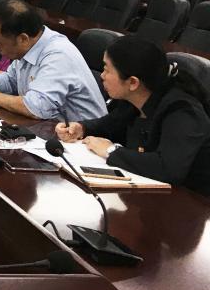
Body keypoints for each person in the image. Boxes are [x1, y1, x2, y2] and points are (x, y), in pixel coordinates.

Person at [56, 36, 210, 195]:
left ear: (133, 82)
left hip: (191, 201)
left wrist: (111, 151)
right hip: (148, 191)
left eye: (107, 70)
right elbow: (110, 125)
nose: (102, 75)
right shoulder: (134, 99)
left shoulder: (182, 110)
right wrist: (81, 128)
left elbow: (168, 168)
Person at [0, 0, 107, 121]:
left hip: (84, 139)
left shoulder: (58, 55)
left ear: (23, 39)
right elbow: (13, 80)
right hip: (52, 130)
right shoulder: (28, 47)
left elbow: (38, 108)